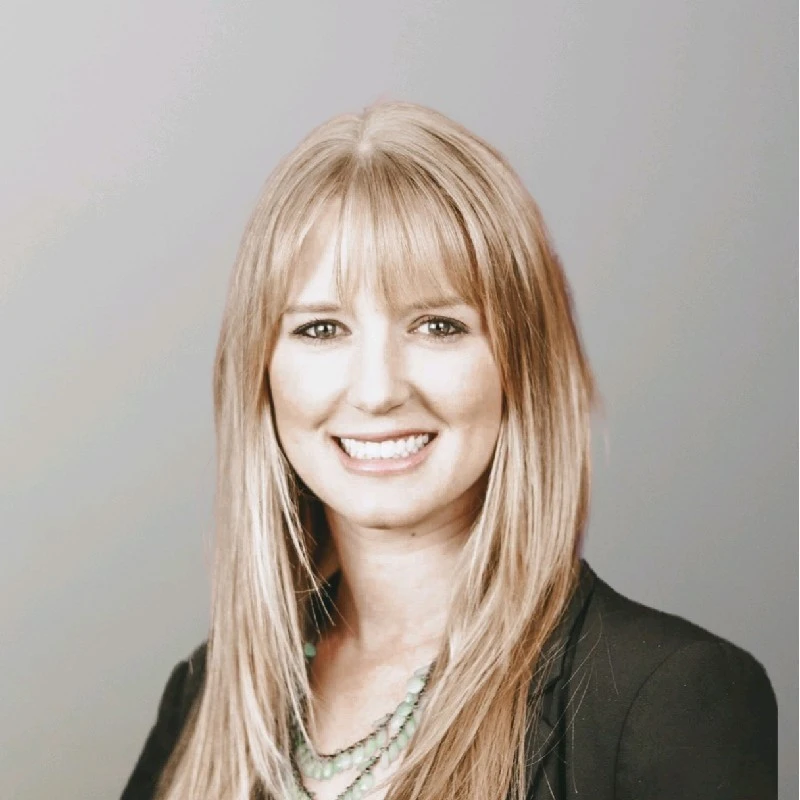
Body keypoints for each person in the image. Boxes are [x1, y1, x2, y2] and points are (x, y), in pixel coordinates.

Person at [120, 101, 777, 800]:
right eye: (321, 329)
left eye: (437, 325)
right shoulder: (203, 697)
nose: (377, 391)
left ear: (520, 363)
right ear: (260, 370)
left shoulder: (667, 699)